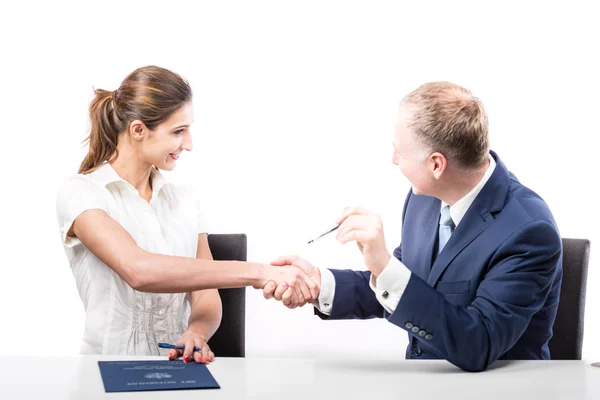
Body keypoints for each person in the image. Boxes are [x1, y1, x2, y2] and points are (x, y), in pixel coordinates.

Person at [263, 81, 563, 372]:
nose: (394, 160)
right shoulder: (426, 198)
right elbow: (409, 285)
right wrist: (319, 283)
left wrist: (382, 262)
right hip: (423, 386)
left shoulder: (529, 232)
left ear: (436, 164)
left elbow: (478, 344)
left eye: (401, 152)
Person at [56, 66, 318, 363]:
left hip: (177, 371)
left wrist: (197, 332)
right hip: (104, 372)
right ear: (138, 130)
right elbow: (139, 271)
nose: (190, 144)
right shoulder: (81, 192)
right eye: (178, 131)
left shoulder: (186, 201)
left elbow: (205, 293)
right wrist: (260, 273)